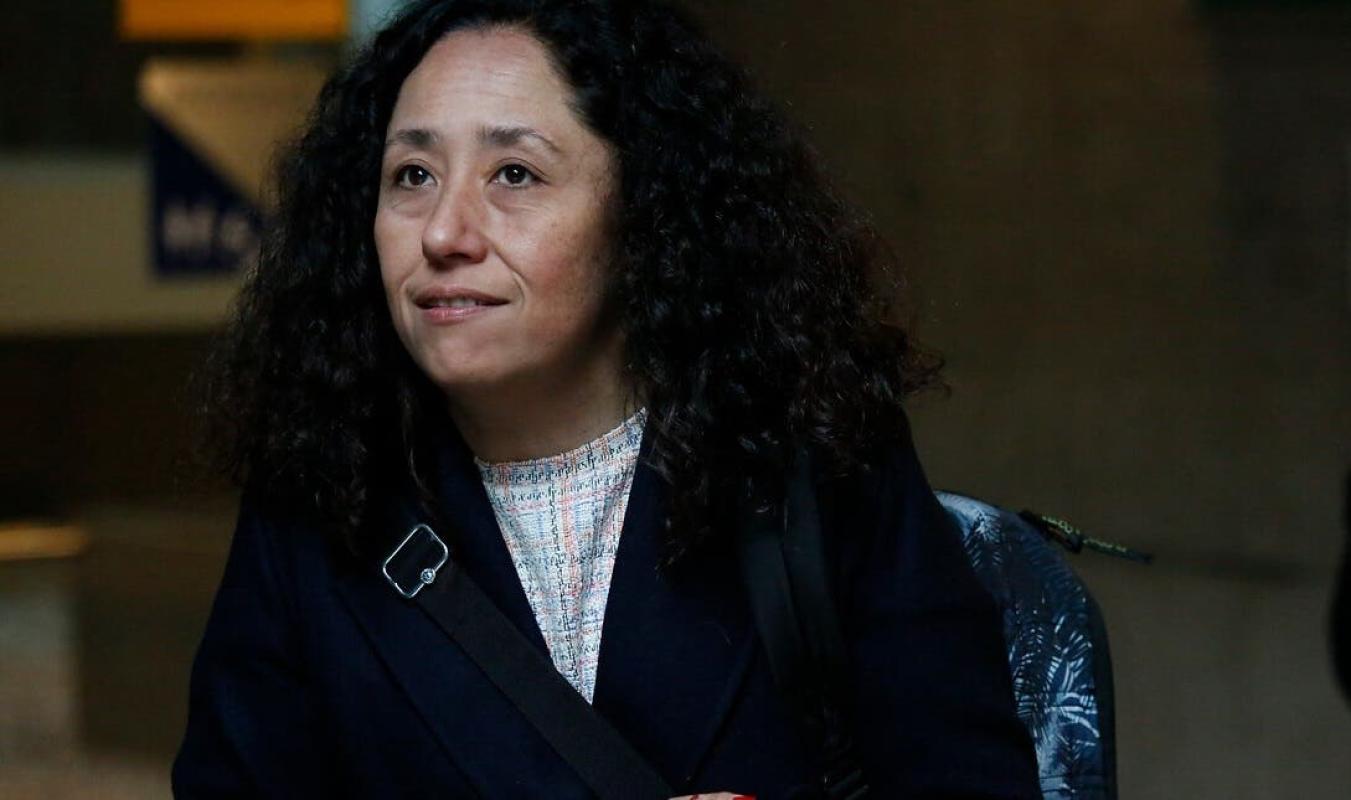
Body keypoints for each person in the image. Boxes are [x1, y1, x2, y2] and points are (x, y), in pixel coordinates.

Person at [172, 1, 1041, 797]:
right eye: (411, 175)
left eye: (515, 174)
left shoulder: (813, 464)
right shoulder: (316, 499)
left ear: (645, 212)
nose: (442, 232)